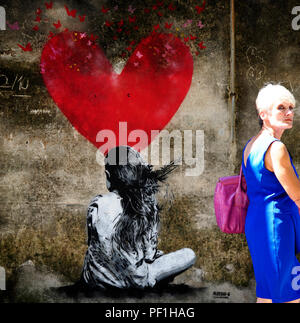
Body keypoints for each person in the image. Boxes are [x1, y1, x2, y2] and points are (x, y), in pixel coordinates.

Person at [80, 145, 196, 290]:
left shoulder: (97, 203)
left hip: (97, 281)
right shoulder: (147, 205)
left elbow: (93, 244)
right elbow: (149, 255)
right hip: (136, 282)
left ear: (108, 176)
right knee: (188, 254)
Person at [242, 83, 300, 303]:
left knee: (268, 295)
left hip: (259, 225)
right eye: (281, 107)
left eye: (291, 107)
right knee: (288, 296)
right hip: (276, 226)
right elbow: (297, 195)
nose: (289, 113)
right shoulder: (276, 148)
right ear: (263, 114)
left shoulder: (251, 145)